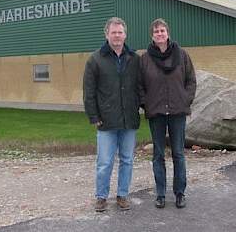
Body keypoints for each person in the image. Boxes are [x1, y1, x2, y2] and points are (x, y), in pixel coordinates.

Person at [83, 17, 141, 212]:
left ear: (125, 35)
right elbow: (89, 91)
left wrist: (140, 106)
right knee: (104, 162)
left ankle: (122, 195)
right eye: (113, 32)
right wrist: (93, 116)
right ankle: (101, 197)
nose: (117, 35)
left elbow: (140, 87)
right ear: (106, 34)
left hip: (129, 120)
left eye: (120, 32)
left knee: (127, 160)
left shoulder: (134, 59)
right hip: (106, 120)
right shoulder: (95, 59)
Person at [140, 18, 196, 209]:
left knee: (178, 153)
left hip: (177, 112)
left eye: (162, 31)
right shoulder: (145, 59)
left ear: (168, 33)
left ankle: (180, 193)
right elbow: (139, 86)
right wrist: (145, 104)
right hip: (156, 112)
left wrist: (185, 100)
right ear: (152, 36)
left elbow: (191, 81)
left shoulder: (182, 55)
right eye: (156, 32)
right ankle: (160, 194)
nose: (160, 34)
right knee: (158, 154)